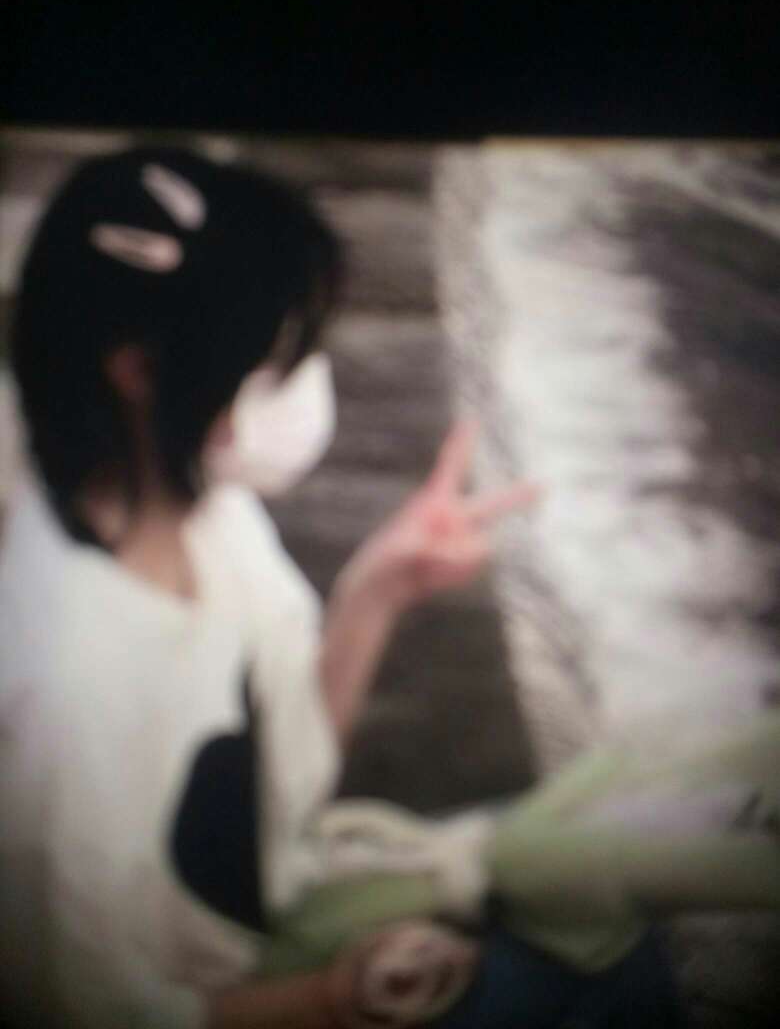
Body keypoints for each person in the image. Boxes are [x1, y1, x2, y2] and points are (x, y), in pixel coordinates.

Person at [5, 145, 772, 1029]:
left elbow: (280, 797)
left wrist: (378, 589)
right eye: (273, 365)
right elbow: (103, 1010)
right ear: (137, 370)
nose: (303, 389)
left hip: (290, 899)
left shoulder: (206, 514)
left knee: (624, 881)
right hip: (246, 987)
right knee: (614, 969)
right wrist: (336, 997)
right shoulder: (65, 691)